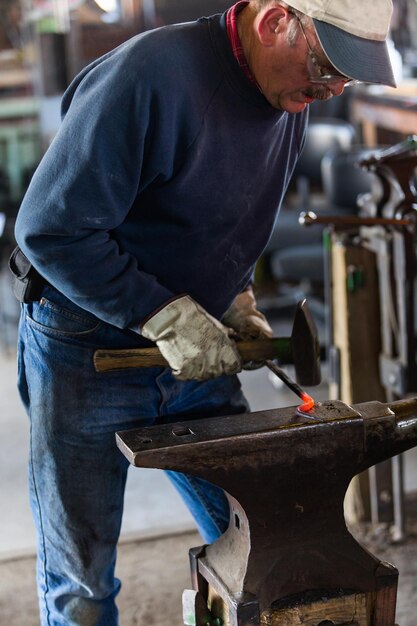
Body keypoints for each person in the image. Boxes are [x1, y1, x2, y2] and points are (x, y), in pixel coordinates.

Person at [12, 0, 395, 624]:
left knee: (263, 542)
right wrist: (160, 316)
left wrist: (236, 295)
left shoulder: (288, 95)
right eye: (327, 66)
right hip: (88, 348)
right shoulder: (151, 76)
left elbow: (229, 213)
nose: (332, 90)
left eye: (347, 78)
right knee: (81, 580)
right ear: (276, 23)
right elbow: (50, 230)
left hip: (197, 346)